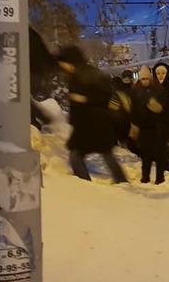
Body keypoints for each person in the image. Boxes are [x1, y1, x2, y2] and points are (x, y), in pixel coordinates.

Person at [55, 46, 128, 184]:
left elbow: (102, 96)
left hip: (90, 123)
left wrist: (83, 99)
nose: (63, 67)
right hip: (95, 123)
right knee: (105, 152)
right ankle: (120, 180)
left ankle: (85, 184)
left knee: (76, 154)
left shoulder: (81, 76)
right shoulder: (88, 73)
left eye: (63, 63)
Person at [131, 66, 168, 184]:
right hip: (143, 126)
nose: (145, 81)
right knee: (145, 154)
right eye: (143, 79)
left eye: (146, 78)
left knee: (159, 154)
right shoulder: (136, 91)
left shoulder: (158, 89)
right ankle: (145, 176)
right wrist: (134, 125)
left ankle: (159, 177)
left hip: (157, 126)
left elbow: (165, 106)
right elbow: (133, 109)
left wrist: (160, 108)